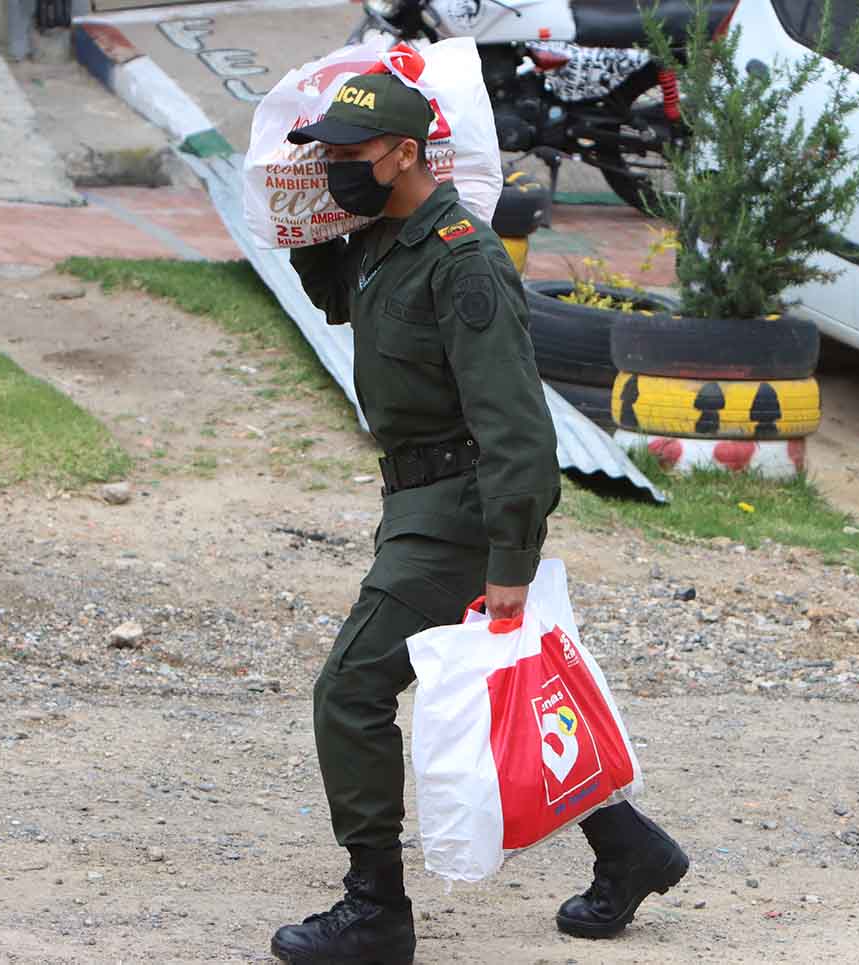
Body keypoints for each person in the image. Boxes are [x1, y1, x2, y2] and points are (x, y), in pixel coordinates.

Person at [270, 70, 688, 965]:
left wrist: (510, 555)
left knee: (349, 691)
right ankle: (628, 847)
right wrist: (305, 220)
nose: (336, 168)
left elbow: (517, 426)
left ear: (403, 154)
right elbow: (337, 295)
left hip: (458, 512)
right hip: (419, 500)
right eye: (328, 155)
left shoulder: (463, 260)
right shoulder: (389, 239)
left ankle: (375, 909)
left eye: (348, 155)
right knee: (507, 686)